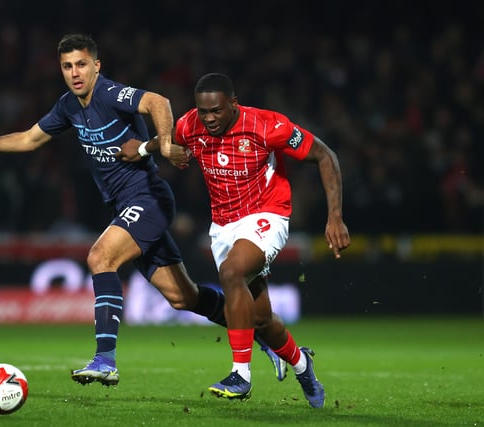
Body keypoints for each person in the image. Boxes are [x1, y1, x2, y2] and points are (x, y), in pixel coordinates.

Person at [0, 35, 287, 389]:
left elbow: (158, 101)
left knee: (100, 257)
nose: (74, 73)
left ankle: (105, 360)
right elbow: (29, 138)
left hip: (148, 199)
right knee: (184, 298)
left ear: (96, 65)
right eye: (67, 66)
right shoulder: (67, 106)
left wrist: (165, 144)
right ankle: (256, 334)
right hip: (127, 206)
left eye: (80, 64)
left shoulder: (110, 94)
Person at [117, 72, 350, 407]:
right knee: (261, 320)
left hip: (267, 215)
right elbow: (169, 142)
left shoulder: (268, 126)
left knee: (230, 273)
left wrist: (336, 217)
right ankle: (302, 364)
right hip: (223, 227)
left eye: (216, 111)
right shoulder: (190, 124)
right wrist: (142, 148)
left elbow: (325, 156)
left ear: (234, 104)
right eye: (203, 111)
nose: (209, 118)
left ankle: (241, 375)